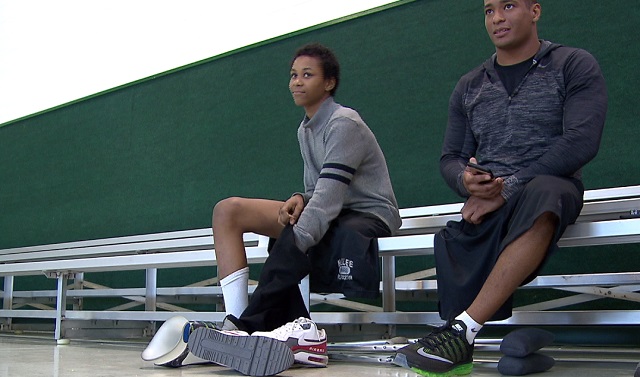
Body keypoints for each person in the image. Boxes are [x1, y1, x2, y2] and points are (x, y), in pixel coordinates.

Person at [142, 43, 401, 376]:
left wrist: (299, 231)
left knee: (295, 235)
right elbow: (316, 192)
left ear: (329, 83)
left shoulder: (344, 122)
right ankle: (237, 325)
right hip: (334, 209)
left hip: (369, 214)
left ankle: (245, 326)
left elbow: (329, 197)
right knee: (228, 211)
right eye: (293, 75)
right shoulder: (305, 129)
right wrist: (299, 199)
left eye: (307, 75)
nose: (297, 82)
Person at [393, 1, 607, 376]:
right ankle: (459, 345)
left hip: (550, 188)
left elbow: (580, 141)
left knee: (545, 193)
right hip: (491, 198)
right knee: (454, 235)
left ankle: (463, 330)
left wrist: (511, 187)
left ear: (535, 11)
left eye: (508, 5)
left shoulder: (573, 64)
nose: (497, 18)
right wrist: (465, 179)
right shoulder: (469, 85)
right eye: (489, 10)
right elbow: (451, 157)